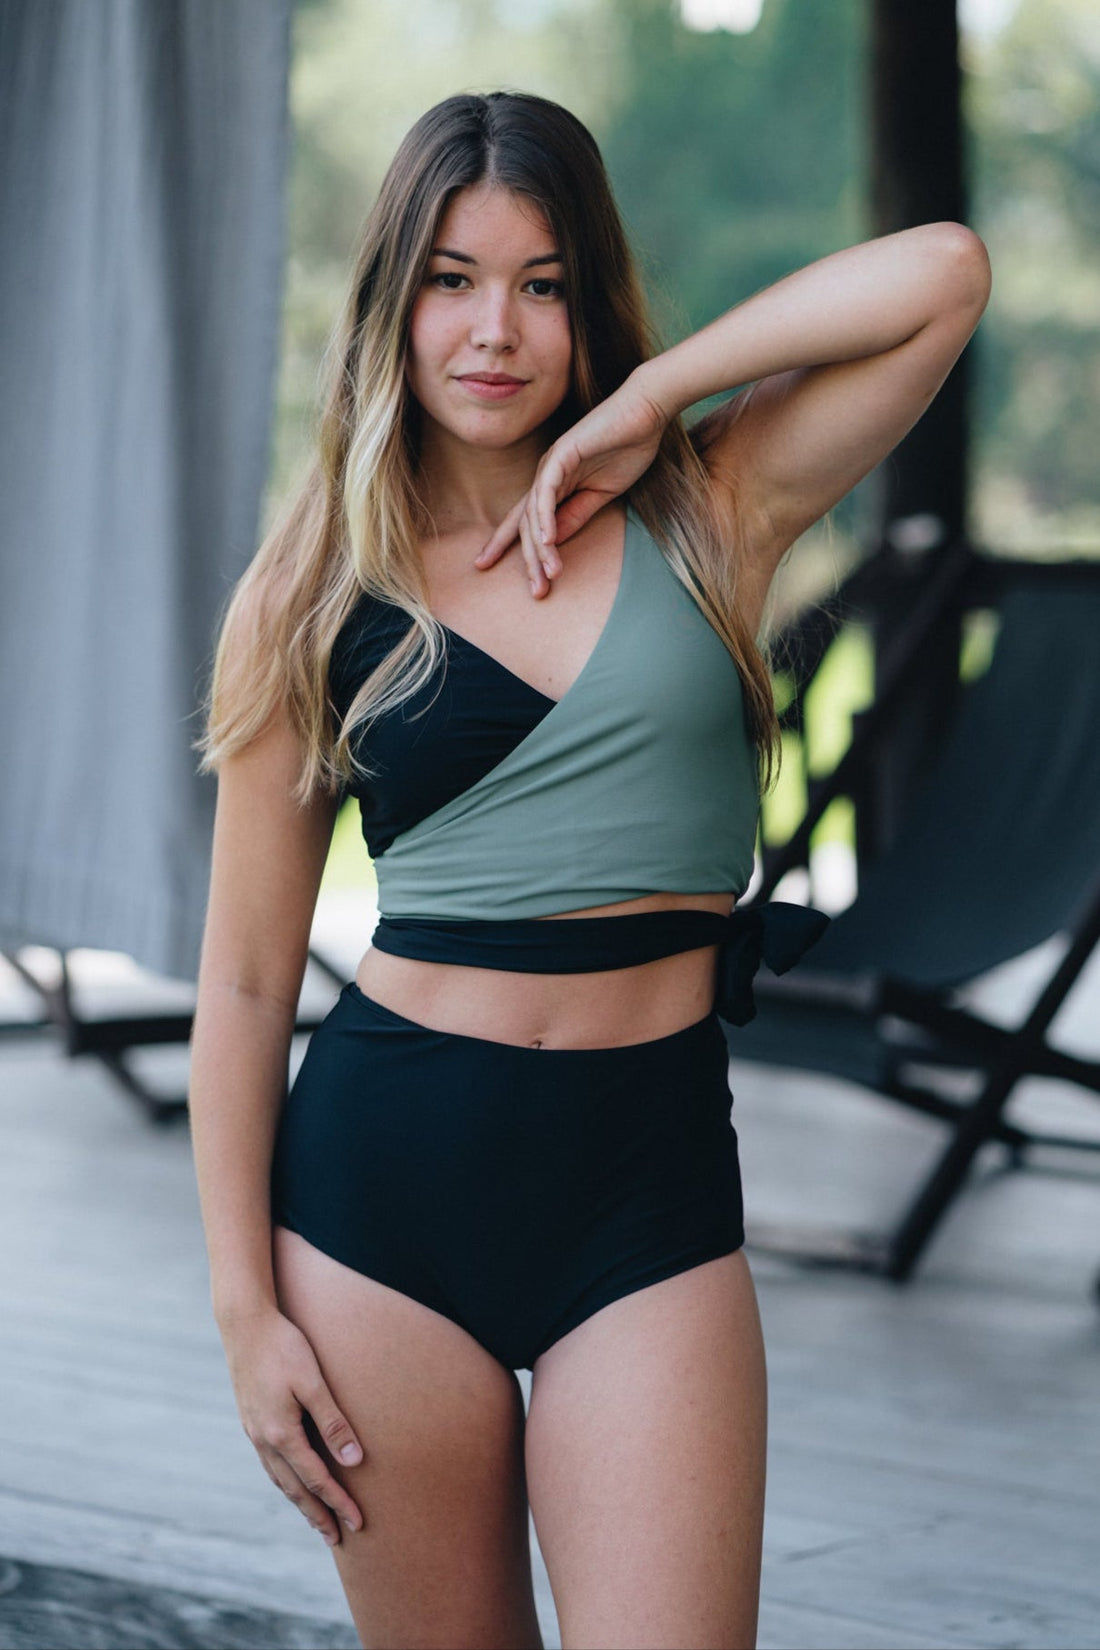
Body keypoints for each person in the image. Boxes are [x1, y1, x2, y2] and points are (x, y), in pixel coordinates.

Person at [188, 89, 991, 1650]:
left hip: (648, 1187)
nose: (495, 329)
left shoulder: (707, 506)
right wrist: (245, 1316)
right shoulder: (306, 592)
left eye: (542, 284)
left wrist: (656, 400)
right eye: (451, 277)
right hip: (380, 1205)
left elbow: (944, 272)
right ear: (392, 304)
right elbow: (239, 977)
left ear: (588, 303)